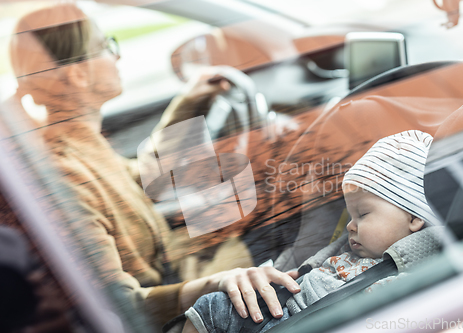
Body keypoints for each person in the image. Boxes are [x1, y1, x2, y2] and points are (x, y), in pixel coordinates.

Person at [6, 4, 301, 331]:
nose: (116, 57)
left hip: (179, 268)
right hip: (168, 308)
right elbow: (115, 303)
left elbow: (135, 178)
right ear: (78, 73)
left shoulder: (77, 142)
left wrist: (187, 104)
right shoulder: (64, 172)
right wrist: (217, 283)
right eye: (106, 47)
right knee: (295, 242)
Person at [181, 130, 438, 333]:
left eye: (363, 214)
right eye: (350, 215)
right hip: (283, 310)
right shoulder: (348, 248)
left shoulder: (407, 274)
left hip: (309, 322)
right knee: (211, 306)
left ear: (414, 217)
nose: (350, 224)